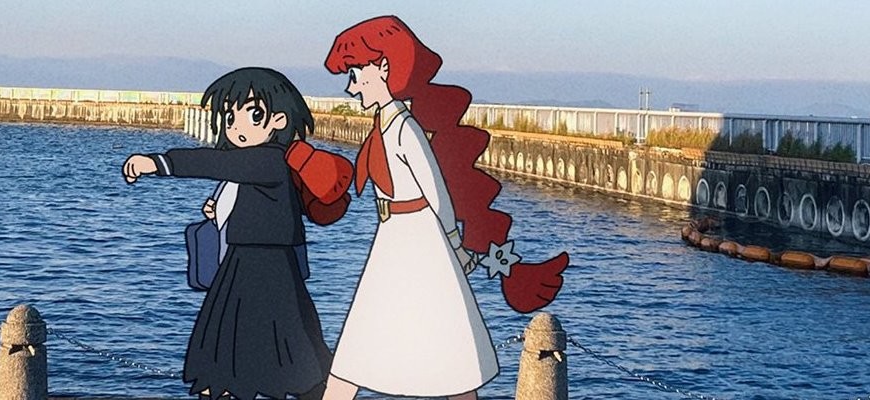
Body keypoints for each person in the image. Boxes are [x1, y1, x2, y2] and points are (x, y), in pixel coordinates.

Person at [320, 16, 571, 400]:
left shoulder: (404, 128)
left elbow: (436, 192)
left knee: (426, 344)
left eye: (355, 74)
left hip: (418, 236)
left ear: (383, 67)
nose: (351, 87)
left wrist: (454, 245)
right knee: (382, 339)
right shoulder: (386, 126)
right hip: (395, 236)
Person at [121, 67, 332, 400]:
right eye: (230, 117)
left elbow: (214, 163)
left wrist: (159, 163)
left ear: (278, 120)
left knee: (244, 345)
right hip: (255, 257)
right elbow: (241, 186)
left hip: (262, 262)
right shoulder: (264, 162)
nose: (236, 126)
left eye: (252, 115)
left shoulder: (270, 160)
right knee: (286, 344)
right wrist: (220, 211)